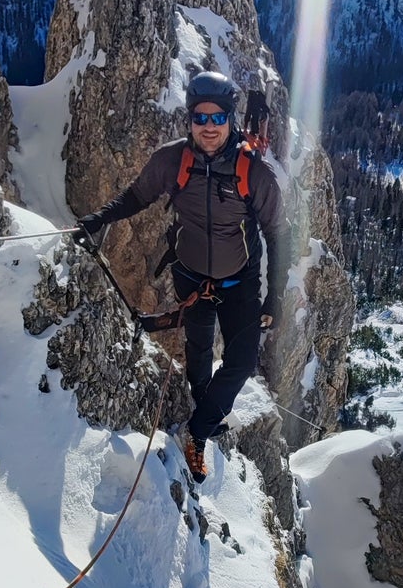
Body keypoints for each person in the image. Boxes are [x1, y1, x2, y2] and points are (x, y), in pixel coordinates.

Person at [77, 71, 286, 482]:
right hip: (191, 277)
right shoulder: (173, 161)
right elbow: (137, 196)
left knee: (242, 363)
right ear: (189, 119)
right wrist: (100, 218)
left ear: (231, 120)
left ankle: (198, 430)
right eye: (200, 118)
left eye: (217, 118)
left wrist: (274, 296)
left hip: (239, 282)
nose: (208, 128)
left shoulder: (253, 174)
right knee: (198, 353)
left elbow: (278, 234)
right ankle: (205, 415)